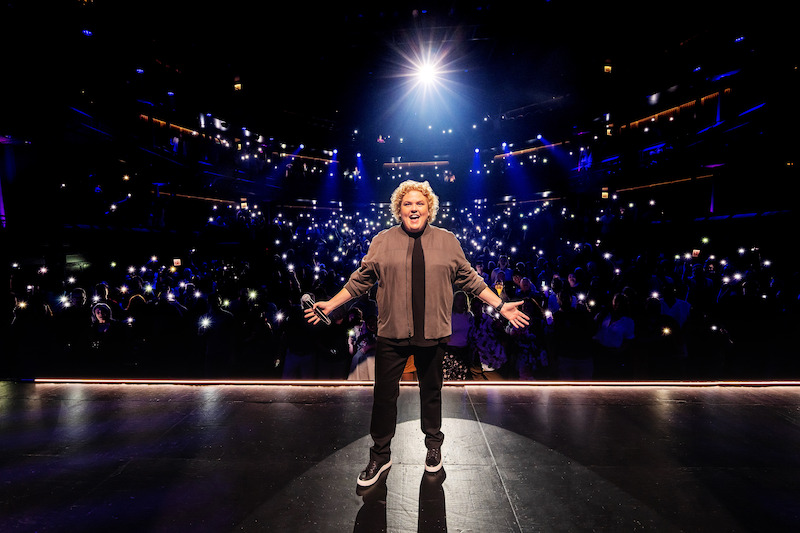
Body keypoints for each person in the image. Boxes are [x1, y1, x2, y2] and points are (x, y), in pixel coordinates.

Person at [305, 180, 529, 487]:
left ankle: (433, 445)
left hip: (433, 332)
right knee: (384, 397)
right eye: (408, 203)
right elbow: (360, 281)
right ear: (399, 209)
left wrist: (500, 304)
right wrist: (331, 304)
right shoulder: (382, 241)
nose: (414, 208)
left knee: (431, 394)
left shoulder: (447, 240)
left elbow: (472, 281)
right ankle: (380, 455)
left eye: (420, 203)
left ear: (430, 209)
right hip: (392, 333)